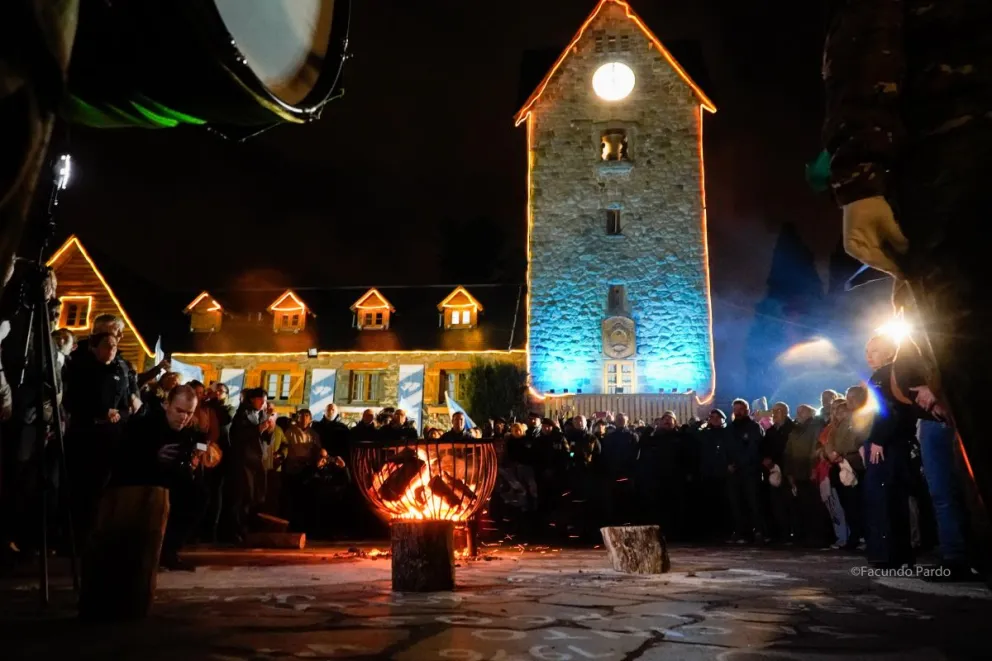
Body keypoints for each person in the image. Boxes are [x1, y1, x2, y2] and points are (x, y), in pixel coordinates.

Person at [823, 0, 992, 551]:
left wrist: (860, 175)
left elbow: (868, 37)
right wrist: (862, 171)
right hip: (960, 155)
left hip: (957, 163)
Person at [107, 384, 201, 570]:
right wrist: (154, 455)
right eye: (179, 410)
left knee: (198, 496)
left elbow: (196, 449)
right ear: (167, 405)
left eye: (189, 413)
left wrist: (197, 458)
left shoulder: (188, 431)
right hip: (140, 481)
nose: (184, 417)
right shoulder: (143, 424)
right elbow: (125, 458)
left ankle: (169, 550)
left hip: (172, 482)